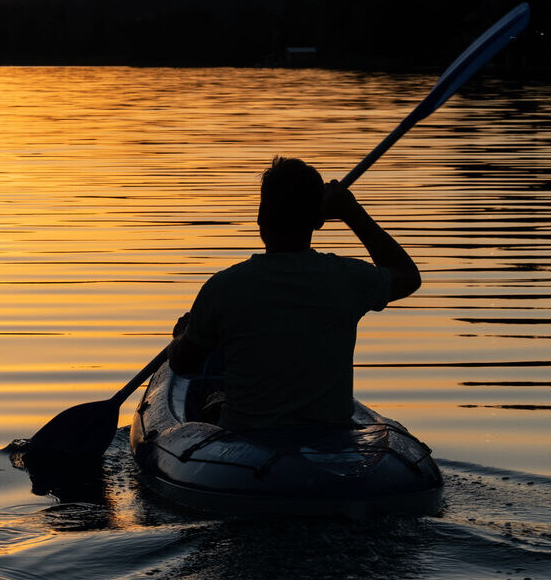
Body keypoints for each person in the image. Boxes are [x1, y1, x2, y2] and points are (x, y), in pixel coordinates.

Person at [168, 156, 420, 429]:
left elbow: (183, 364)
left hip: (247, 442)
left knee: (210, 400)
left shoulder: (222, 289)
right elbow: (407, 276)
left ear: (261, 216)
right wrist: (352, 212)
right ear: (319, 221)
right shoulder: (348, 279)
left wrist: (183, 333)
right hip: (330, 442)